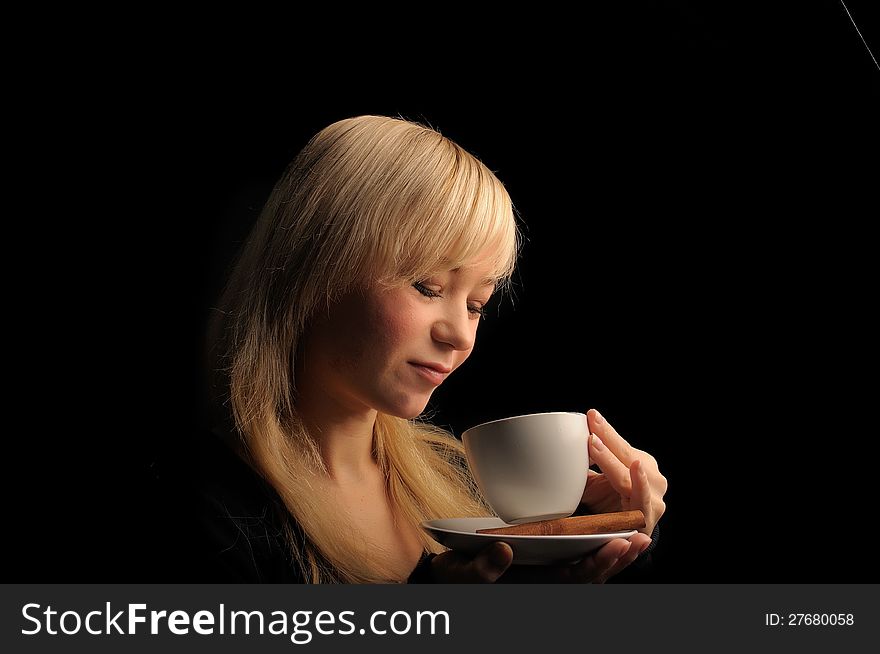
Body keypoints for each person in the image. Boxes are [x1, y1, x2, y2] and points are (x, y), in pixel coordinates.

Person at [188, 115, 667, 583]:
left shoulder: (461, 481)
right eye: (427, 285)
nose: (459, 335)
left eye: (478, 304)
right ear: (312, 266)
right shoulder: (206, 509)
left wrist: (605, 538)